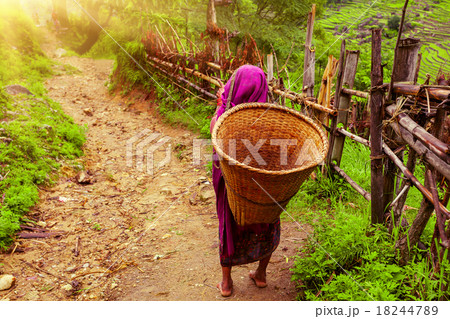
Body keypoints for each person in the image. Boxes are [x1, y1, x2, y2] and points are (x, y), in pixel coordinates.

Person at [210, 65, 281, 297]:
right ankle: (260, 274)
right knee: (268, 221)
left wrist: (220, 106)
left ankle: (227, 283)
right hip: (262, 188)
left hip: (233, 186)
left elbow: (215, 147)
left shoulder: (224, 118)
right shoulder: (272, 120)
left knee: (228, 225)